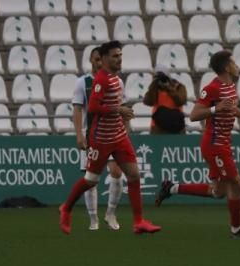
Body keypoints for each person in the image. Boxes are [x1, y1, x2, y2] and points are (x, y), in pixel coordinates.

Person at [58, 40, 161, 236]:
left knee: (134, 175)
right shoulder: (101, 80)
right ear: (104, 59)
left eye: (120, 55)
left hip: (119, 136)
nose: (119, 59)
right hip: (101, 138)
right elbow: (94, 107)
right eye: (115, 56)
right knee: (90, 180)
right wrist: (118, 109)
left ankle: (138, 221)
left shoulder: (116, 79)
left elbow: (115, 105)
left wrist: (123, 116)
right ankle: (66, 208)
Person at [155, 50, 240, 238]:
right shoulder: (212, 88)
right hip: (214, 144)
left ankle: (172, 187)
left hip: (224, 143)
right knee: (236, 184)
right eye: (233, 62)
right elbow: (194, 115)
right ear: (227, 67)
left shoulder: (230, 86)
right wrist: (214, 108)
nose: (237, 65)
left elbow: (230, 107)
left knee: (218, 192)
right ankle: (236, 229)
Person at [71, 46, 125, 231]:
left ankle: (110, 213)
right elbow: (78, 109)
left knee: (117, 172)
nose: (99, 63)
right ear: (91, 61)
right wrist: (79, 134)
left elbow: (120, 108)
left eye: (101, 60)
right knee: (91, 179)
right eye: (96, 60)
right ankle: (93, 219)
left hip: (112, 135)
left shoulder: (116, 81)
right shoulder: (82, 82)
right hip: (91, 135)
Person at [143, 65, 188, 134]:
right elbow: (147, 101)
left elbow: (181, 101)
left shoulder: (179, 87)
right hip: (158, 125)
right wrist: (154, 84)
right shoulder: (155, 88)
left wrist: (170, 89)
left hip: (177, 124)